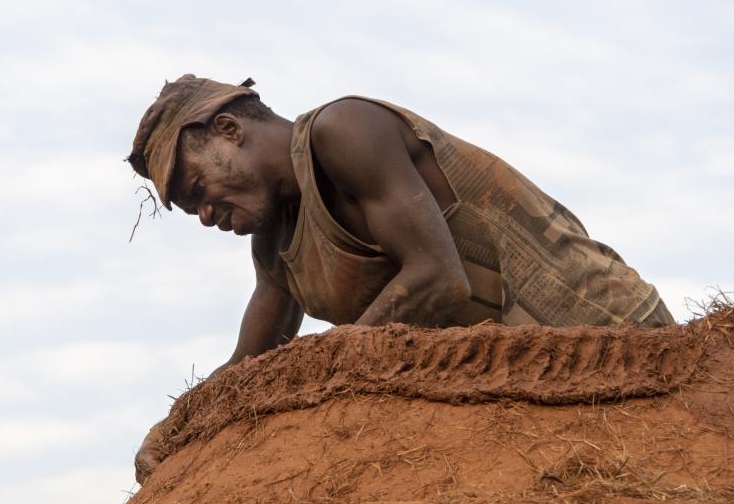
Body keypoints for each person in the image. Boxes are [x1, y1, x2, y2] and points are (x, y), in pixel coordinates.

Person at [127, 74, 675, 481]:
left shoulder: (344, 131)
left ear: (229, 130)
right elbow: (249, 364)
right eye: (186, 208)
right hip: (527, 399)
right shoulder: (275, 245)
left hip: (612, 342)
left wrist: (327, 363)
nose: (202, 215)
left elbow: (439, 278)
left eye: (197, 188)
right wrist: (178, 427)